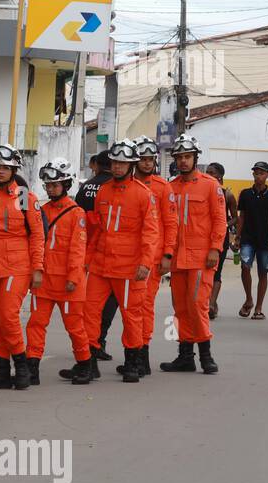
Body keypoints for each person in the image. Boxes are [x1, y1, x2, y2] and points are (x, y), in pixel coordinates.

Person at [83, 139, 160, 383]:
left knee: (131, 315)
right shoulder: (103, 190)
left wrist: (145, 264)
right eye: (115, 162)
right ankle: (89, 362)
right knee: (90, 311)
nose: (117, 167)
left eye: (123, 163)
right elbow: (96, 229)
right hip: (100, 265)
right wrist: (87, 260)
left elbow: (151, 233)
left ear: (131, 165)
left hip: (129, 267)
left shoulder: (143, 194)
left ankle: (132, 363)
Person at [0, 144, 45, 391]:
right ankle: (2, 371)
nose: (0, 172)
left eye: (5, 167)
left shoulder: (25, 196)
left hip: (18, 266)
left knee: (8, 316)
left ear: (14, 169)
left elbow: (37, 235)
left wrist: (38, 268)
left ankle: (21, 366)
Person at [159, 133, 227, 375]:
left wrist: (215, 249)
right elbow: (166, 223)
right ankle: (185, 356)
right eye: (179, 158)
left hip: (201, 257)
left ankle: (206, 356)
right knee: (180, 308)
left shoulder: (211, 186)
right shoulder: (171, 187)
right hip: (177, 258)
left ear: (195, 158)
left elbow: (220, 221)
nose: (183, 161)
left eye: (187, 157)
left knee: (198, 305)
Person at [25, 159, 91, 385]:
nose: (51, 188)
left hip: (67, 283)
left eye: (55, 184)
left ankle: (84, 365)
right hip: (43, 281)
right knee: (35, 324)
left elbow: (77, 249)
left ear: (66, 185)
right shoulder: (41, 210)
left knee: (74, 327)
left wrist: (73, 277)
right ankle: (32, 367)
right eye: (48, 185)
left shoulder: (76, 214)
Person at [132, 136, 177, 377]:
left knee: (144, 306)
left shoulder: (162, 187)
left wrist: (168, 255)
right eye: (143, 159)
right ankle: (133, 354)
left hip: (153, 258)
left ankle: (142, 355)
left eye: (151, 159)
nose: (147, 163)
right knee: (131, 308)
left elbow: (171, 224)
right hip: (127, 257)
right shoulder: (126, 184)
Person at [75, 150, 119, 359]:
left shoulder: (85, 187)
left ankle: (87, 343)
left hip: (84, 248)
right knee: (110, 298)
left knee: (89, 301)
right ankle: (98, 340)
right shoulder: (113, 188)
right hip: (107, 249)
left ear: (96, 165)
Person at [235, 161, 268, 320]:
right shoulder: (246, 194)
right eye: (256, 173)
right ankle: (249, 299)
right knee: (245, 267)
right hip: (248, 238)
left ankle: (259, 308)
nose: (258, 176)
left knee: (263, 273)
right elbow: (242, 217)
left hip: (265, 241)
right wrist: (237, 237)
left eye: (261, 173)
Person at [205, 162, 237, 319]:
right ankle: (209, 302)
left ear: (220, 177)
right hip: (202, 237)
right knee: (205, 271)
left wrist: (224, 224)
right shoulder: (201, 193)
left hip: (220, 238)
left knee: (217, 271)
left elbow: (235, 218)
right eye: (207, 172)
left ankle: (211, 304)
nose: (208, 175)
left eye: (212, 173)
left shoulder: (228, 195)